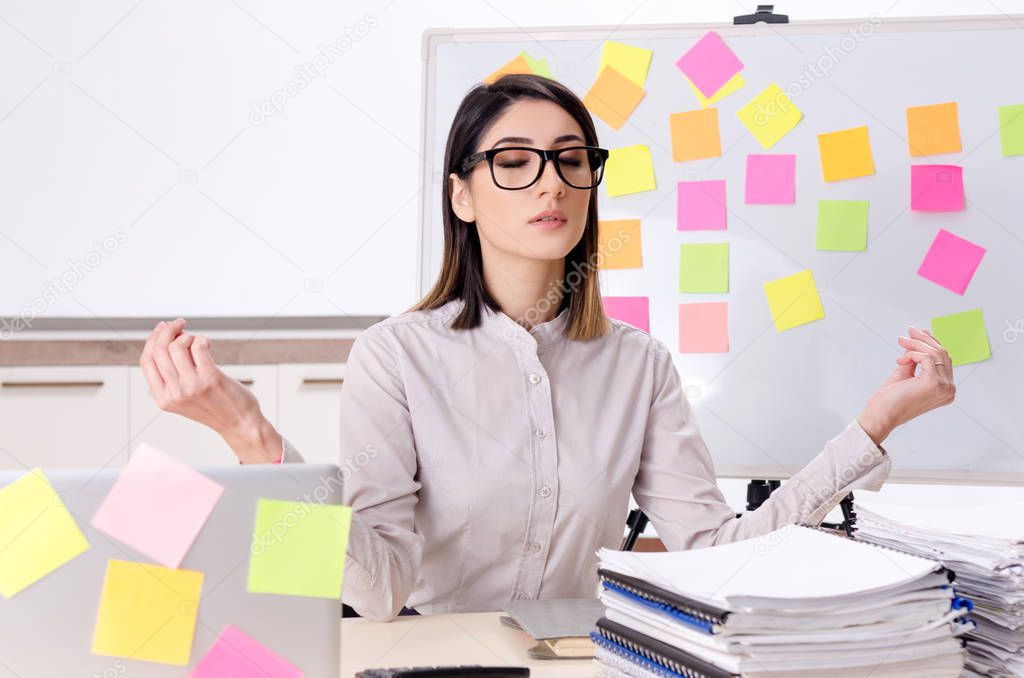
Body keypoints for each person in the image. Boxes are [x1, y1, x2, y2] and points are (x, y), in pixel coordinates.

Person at [139, 74, 956, 622]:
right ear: (461, 193)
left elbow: (712, 555)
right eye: (515, 162)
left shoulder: (638, 364)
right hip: (429, 657)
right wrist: (249, 436)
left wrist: (873, 427)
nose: (551, 183)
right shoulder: (395, 357)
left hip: (574, 658)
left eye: (571, 161)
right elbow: (375, 589)